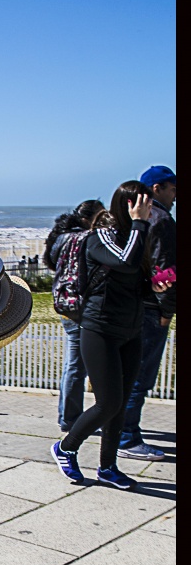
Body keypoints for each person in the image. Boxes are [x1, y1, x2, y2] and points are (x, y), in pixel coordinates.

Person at [50, 181, 155, 490]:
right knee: (107, 403)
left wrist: (156, 288)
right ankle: (65, 447)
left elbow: (135, 281)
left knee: (119, 405)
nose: (148, 211)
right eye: (142, 205)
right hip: (100, 329)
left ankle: (108, 467)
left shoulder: (138, 237)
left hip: (130, 330)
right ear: (127, 205)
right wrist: (139, 224)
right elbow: (125, 262)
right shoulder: (101, 238)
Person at [118, 165, 176, 461]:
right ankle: (127, 438)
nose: (175, 196)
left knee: (128, 373)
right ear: (157, 189)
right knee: (141, 376)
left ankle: (122, 432)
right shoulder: (162, 219)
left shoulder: (131, 218)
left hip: (131, 305)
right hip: (153, 308)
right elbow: (165, 270)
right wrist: (167, 310)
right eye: (172, 188)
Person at [43, 200, 106, 434]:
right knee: (77, 366)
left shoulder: (60, 238)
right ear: (90, 218)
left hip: (65, 305)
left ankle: (69, 416)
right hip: (82, 307)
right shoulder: (85, 239)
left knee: (75, 365)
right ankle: (71, 419)